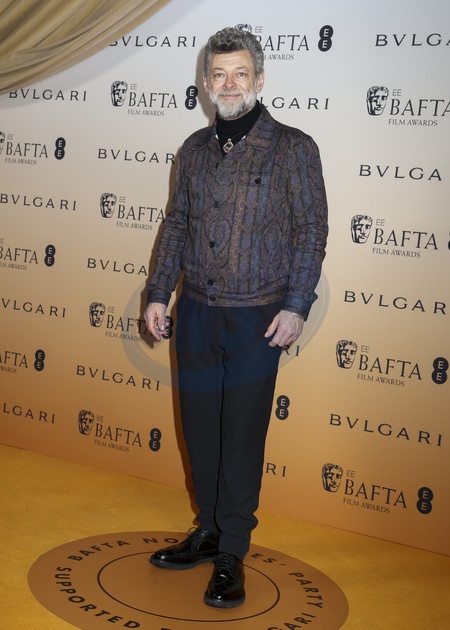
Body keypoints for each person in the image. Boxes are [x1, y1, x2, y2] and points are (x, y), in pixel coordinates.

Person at [144, 26, 328, 609]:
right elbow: (176, 224)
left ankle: (232, 550)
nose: (229, 84)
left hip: (257, 317)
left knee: (242, 435)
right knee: (200, 429)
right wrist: (158, 293)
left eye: (240, 74)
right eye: (219, 74)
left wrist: (296, 305)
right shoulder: (194, 149)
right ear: (205, 83)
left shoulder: (294, 148)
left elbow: (311, 231)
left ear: (260, 80)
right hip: (196, 310)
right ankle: (207, 530)